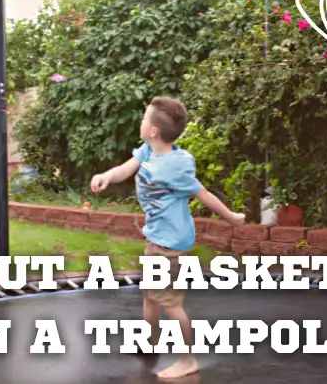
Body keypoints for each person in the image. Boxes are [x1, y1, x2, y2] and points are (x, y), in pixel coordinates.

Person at [90, 96, 245, 380]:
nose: (140, 121)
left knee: (170, 303)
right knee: (151, 296)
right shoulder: (147, 151)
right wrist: (107, 176)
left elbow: (204, 194)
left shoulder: (177, 164)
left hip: (170, 245)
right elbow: (126, 168)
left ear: (153, 130)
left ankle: (188, 360)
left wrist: (232, 217)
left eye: (143, 119)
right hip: (156, 239)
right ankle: (150, 343)